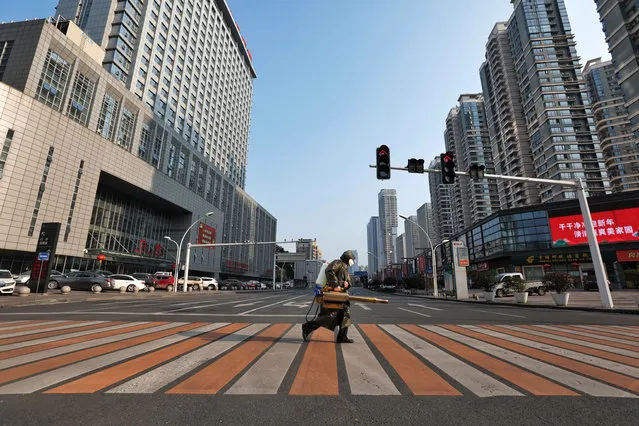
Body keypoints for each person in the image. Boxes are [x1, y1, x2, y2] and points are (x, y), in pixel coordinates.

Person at [302, 250, 356, 343]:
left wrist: (346, 284)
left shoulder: (345, 268)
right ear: (347, 258)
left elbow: (348, 282)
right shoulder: (338, 263)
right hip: (333, 296)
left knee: (345, 315)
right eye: (351, 259)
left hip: (342, 297)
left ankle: (342, 337)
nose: (352, 261)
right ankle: (307, 327)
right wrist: (337, 285)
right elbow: (329, 271)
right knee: (328, 317)